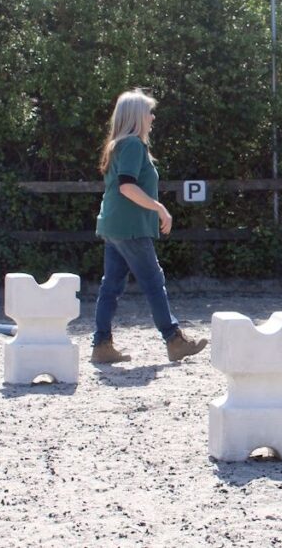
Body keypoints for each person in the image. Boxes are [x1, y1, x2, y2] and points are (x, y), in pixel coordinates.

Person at [91, 89, 208, 364]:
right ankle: (174, 339)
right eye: (149, 112)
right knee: (154, 282)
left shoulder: (117, 145)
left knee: (111, 286)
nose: (152, 117)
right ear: (136, 116)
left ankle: (101, 344)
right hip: (131, 227)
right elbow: (127, 186)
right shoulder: (133, 145)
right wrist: (159, 208)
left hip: (114, 226)